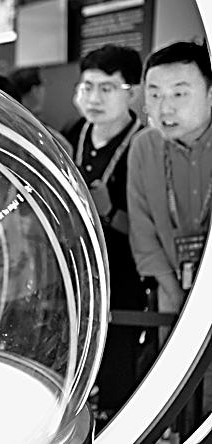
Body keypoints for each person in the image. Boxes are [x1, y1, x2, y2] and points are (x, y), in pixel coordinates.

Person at [64, 44, 151, 425]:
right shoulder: (74, 133)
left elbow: (152, 230)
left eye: (107, 88)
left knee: (117, 368)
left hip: (124, 279)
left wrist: (109, 212)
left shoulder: (145, 145)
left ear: (132, 92)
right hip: (74, 275)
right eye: (87, 87)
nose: (94, 98)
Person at [128, 41, 212, 432]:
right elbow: (143, 231)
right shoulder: (144, 146)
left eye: (180, 94)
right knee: (177, 397)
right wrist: (173, 291)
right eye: (155, 94)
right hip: (170, 292)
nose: (165, 108)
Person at [9, 67, 74, 157]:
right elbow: (66, 152)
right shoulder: (47, 135)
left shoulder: (7, 123)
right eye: (42, 88)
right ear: (35, 90)